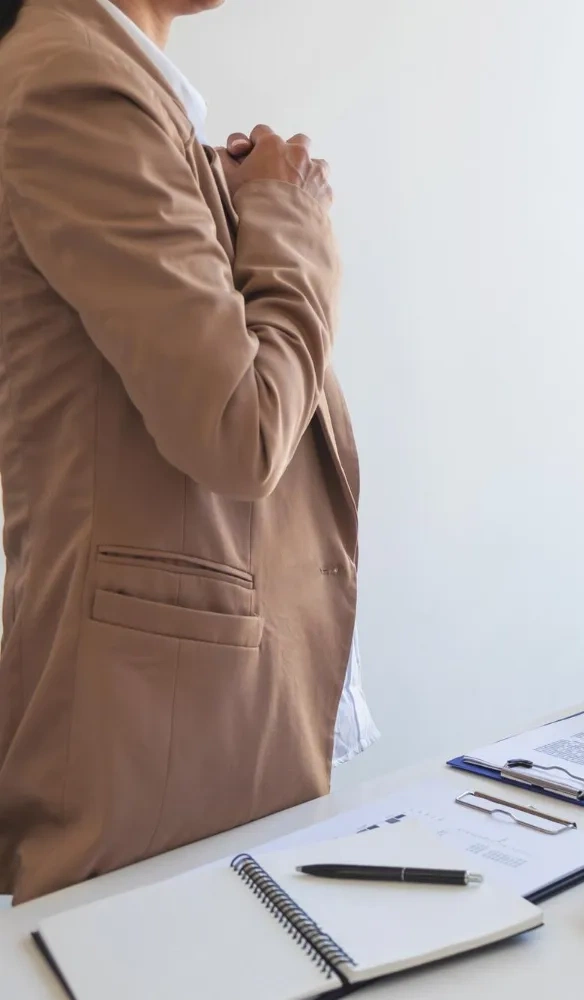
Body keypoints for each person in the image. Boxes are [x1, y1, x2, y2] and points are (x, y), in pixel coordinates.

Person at [0, 0, 376, 904]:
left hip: (199, 710)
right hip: (155, 730)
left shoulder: (120, 79)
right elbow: (239, 430)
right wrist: (294, 225)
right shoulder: (74, 82)